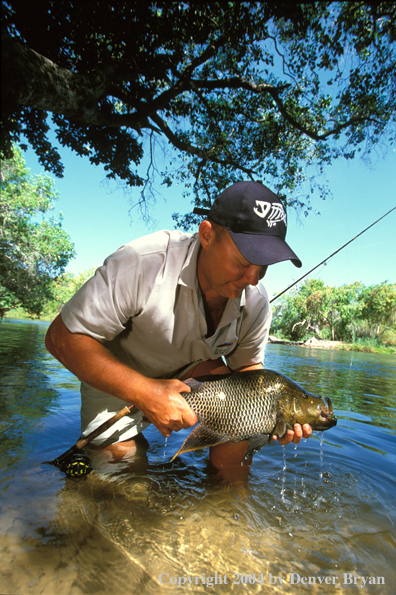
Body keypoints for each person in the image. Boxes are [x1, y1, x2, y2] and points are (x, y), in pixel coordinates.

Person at [45, 181, 312, 469]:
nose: (253, 278)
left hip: (191, 372)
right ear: (207, 235)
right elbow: (61, 337)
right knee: (122, 466)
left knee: (242, 426)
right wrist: (145, 392)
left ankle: (227, 506)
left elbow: (247, 373)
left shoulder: (257, 301)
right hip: (115, 369)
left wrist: (272, 415)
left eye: (264, 266)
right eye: (244, 261)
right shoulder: (143, 262)